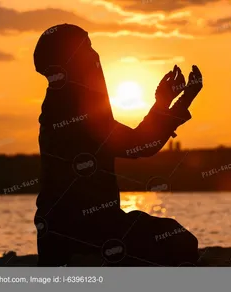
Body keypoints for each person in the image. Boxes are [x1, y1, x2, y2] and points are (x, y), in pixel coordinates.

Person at [32, 24, 203, 266]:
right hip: (86, 233)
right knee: (179, 241)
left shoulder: (60, 104)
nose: (94, 55)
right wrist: (179, 100)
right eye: (86, 49)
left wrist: (169, 102)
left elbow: (136, 142)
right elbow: (141, 144)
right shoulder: (73, 109)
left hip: (70, 232)